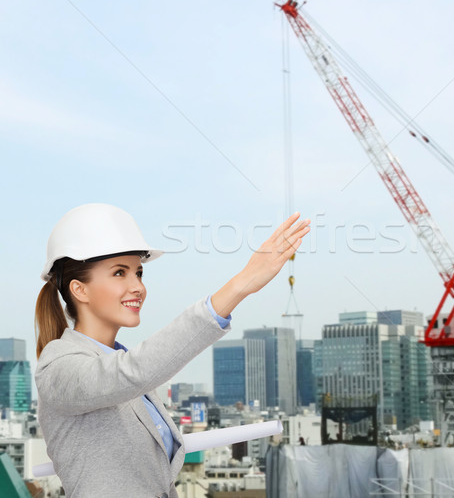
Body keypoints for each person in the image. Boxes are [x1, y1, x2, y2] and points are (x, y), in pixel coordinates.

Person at [34, 203, 310, 498]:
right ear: (80, 290)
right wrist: (240, 286)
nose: (137, 286)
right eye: (119, 273)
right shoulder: (58, 367)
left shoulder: (125, 372)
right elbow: (134, 371)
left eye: (138, 273)